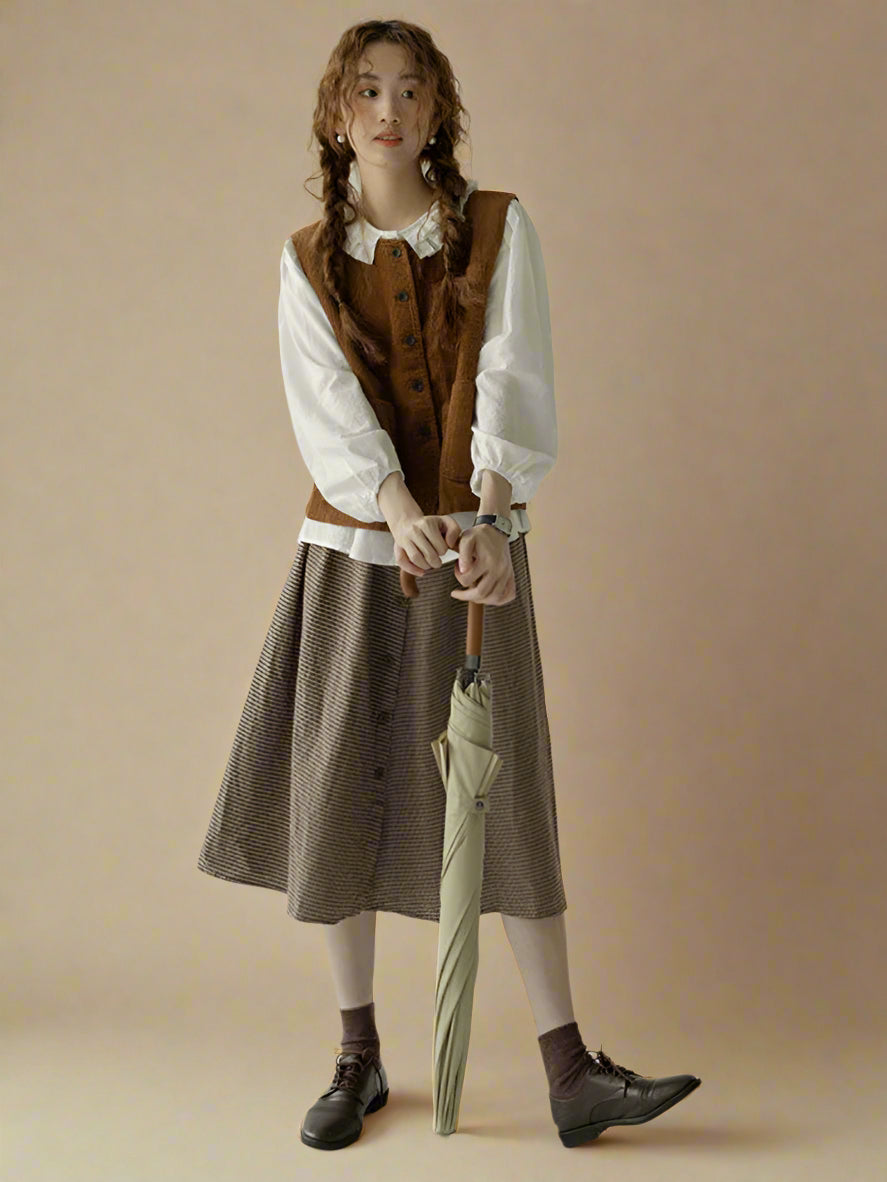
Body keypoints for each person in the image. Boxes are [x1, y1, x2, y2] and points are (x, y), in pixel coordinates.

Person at [197, 17, 700, 1152]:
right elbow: (324, 402)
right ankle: (357, 1055)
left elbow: (513, 372)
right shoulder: (305, 258)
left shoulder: (498, 228)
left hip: (477, 556)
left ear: (437, 113)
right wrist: (391, 507)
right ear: (338, 115)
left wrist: (492, 519)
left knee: (502, 791)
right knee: (340, 785)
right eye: (367, 90)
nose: (388, 110)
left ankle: (568, 1070)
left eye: (410, 90)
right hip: (353, 555)